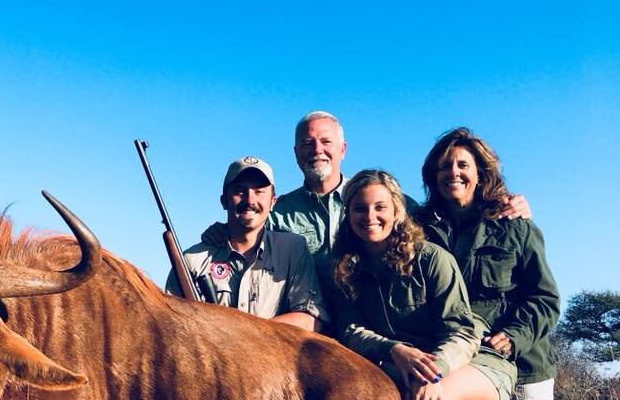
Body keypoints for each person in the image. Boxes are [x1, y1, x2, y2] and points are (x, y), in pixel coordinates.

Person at [200, 111, 530, 325]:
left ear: (342, 149)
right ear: (296, 153)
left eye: (326, 141)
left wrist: (500, 204)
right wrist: (220, 232)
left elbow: (446, 220)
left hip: (374, 325)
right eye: (307, 143)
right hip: (306, 329)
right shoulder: (277, 210)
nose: (317, 149)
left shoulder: (380, 199)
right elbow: (247, 239)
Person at [332, 169, 520, 400]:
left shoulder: (432, 260)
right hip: (405, 364)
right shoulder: (346, 268)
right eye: (359, 208)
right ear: (348, 213)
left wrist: (434, 373)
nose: (370, 216)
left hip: (473, 362)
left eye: (380, 207)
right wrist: (395, 350)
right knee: (371, 387)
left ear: (396, 211)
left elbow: (462, 332)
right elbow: (350, 330)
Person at [419, 128, 562, 400]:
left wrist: (514, 336)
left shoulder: (515, 225)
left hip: (521, 357)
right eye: (444, 166)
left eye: (463, 164)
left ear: (481, 173)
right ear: (432, 177)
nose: (453, 172)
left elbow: (545, 297)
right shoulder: (419, 229)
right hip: (464, 354)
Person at [166, 155, 328, 331]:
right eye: (240, 191)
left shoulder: (293, 249)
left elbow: (311, 318)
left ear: (273, 202)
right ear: (224, 201)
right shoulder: (192, 260)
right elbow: (171, 326)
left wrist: (246, 333)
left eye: (259, 191)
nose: (250, 200)